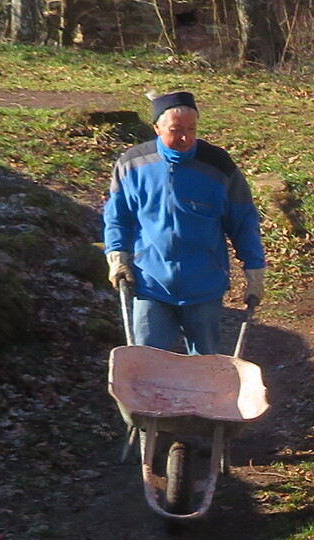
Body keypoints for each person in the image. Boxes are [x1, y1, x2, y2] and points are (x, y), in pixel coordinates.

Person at [104, 89, 266, 354]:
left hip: (204, 285)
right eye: (176, 130)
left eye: (191, 129)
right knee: (145, 362)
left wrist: (255, 269)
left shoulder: (218, 166)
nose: (185, 138)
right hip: (151, 282)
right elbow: (117, 216)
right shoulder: (132, 165)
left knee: (205, 366)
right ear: (157, 128)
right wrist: (117, 255)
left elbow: (243, 221)